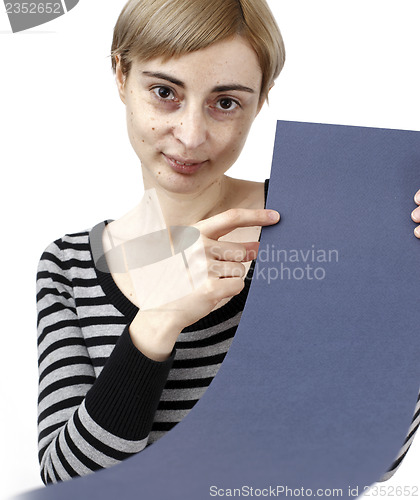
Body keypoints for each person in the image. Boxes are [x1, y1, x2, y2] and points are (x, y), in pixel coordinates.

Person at [36, 0, 420, 486]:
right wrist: (158, 321)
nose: (192, 135)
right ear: (120, 74)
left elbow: (366, 457)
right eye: (163, 92)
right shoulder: (69, 265)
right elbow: (67, 481)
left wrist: (408, 288)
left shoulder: (333, 230)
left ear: (260, 100)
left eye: (225, 102)